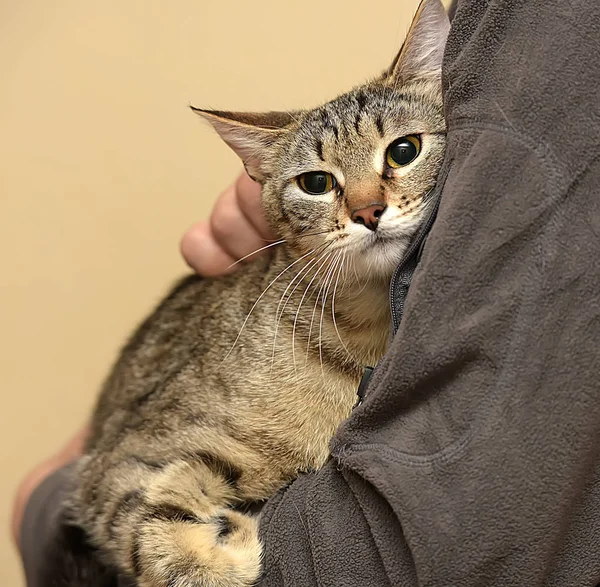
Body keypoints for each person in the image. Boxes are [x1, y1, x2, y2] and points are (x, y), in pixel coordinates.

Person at [12, 0, 600, 584]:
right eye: (319, 184)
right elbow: (116, 484)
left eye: (402, 153)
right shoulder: (270, 364)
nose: (368, 206)